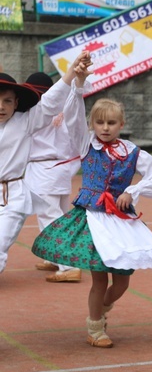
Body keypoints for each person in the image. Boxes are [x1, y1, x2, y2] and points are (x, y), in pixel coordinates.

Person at [31, 77, 152, 347]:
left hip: (121, 220)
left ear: (122, 124)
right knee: (99, 278)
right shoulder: (85, 144)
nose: (105, 128)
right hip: (92, 218)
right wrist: (79, 85)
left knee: (122, 282)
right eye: (100, 122)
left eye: (111, 123)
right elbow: (72, 117)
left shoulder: (132, 152)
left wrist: (133, 191)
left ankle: (103, 309)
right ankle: (95, 327)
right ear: (92, 124)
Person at [0, 51, 87, 277]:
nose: (1, 106)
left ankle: (68, 264)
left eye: (7, 101)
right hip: (51, 172)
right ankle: (56, 258)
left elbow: (50, 102)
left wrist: (71, 73)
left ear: (16, 102)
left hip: (15, 194)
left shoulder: (25, 121)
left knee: (2, 243)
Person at [24, 72, 83, 283]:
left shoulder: (34, 112)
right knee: (60, 216)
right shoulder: (64, 109)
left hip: (43, 169)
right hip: (61, 168)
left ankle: (69, 265)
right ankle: (56, 258)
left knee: (50, 218)